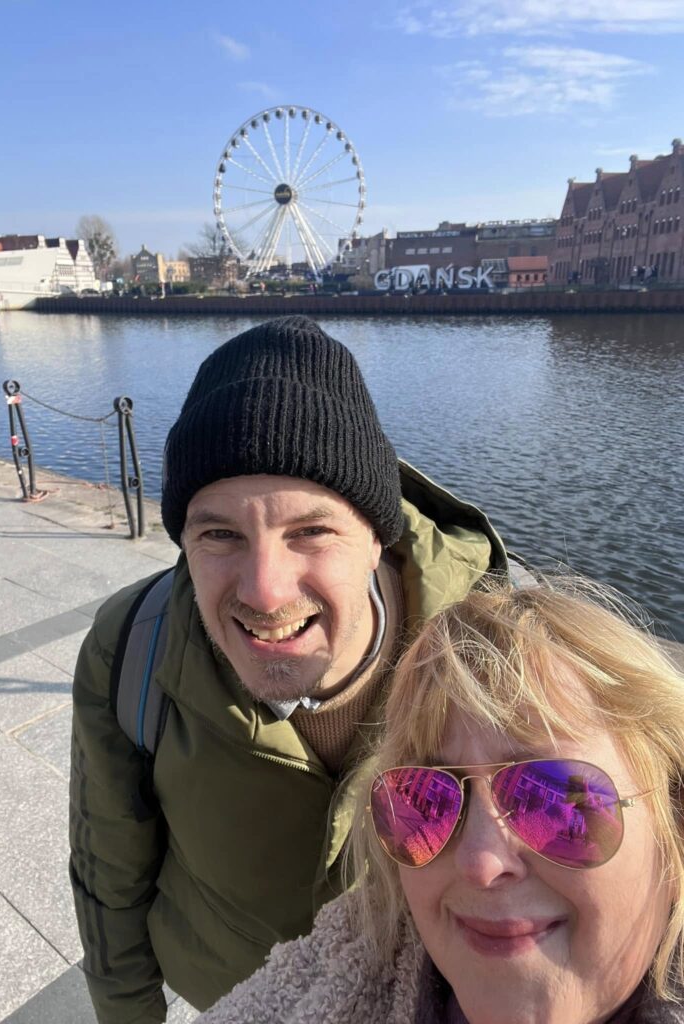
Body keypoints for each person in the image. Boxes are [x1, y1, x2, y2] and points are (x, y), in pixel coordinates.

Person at [69, 315, 508, 1022]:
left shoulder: (494, 655)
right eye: (219, 534)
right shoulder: (129, 650)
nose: (265, 590)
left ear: (377, 536)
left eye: (310, 531)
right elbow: (109, 874)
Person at [194, 576, 684, 1024]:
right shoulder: (326, 976)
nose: (479, 862)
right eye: (425, 801)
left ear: (673, 821)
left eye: (552, 799)